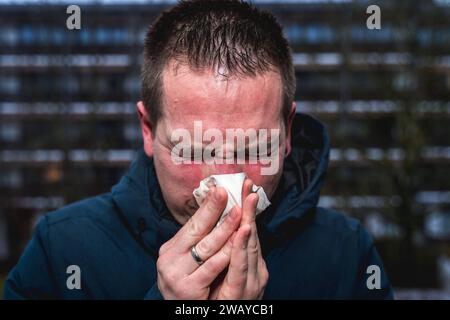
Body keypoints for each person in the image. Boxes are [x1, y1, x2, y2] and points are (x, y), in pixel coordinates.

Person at [4, 0, 393, 299]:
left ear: (287, 132)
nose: (223, 184)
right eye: (194, 149)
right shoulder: (62, 251)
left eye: (254, 148)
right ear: (148, 129)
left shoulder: (346, 257)